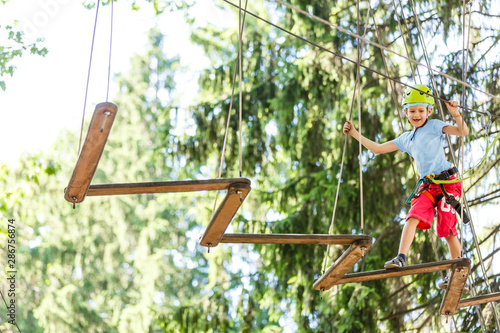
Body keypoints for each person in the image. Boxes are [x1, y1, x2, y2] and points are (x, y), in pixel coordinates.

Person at [342, 84, 469, 291]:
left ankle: (458, 273)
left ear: (429, 111)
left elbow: (462, 131)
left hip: (447, 183)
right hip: (427, 185)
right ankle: (401, 257)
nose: (416, 115)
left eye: (421, 110)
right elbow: (377, 149)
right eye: (412, 111)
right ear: (405, 113)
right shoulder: (406, 138)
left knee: (447, 229)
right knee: (412, 216)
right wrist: (355, 134)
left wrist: (455, 114)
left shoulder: (435, 126)